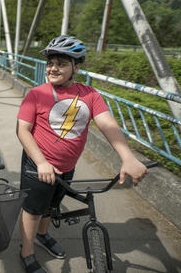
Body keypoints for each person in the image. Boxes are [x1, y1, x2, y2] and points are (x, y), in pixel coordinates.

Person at [16, 35, 148, 273]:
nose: (53, 68)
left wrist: (127, 157)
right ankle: (26, 253)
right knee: (33, 209)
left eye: (61, 64)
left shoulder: (90, 95)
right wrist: (41, 162)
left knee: (52, 205)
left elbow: (108, 125)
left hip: (67, 165)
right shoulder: (37, 94)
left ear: (76, 67)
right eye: (50, 63)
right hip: (38, 165)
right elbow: (23, 131)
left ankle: (43, 236)